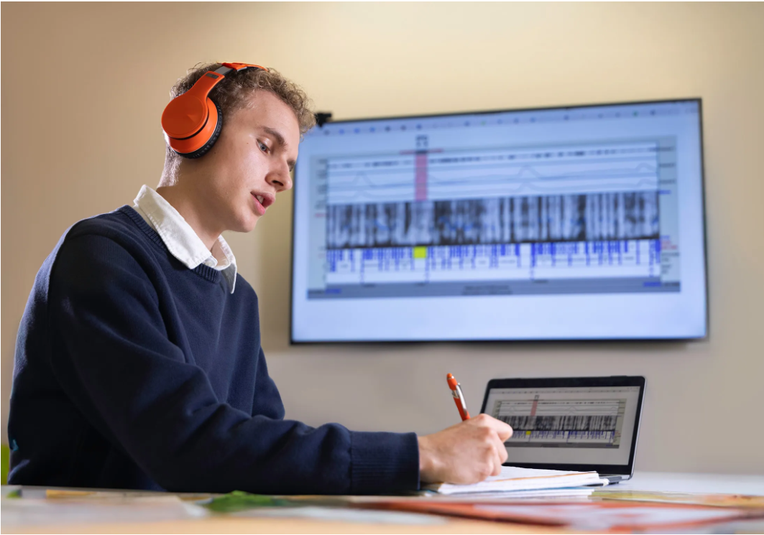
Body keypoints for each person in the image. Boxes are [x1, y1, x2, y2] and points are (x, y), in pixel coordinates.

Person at [7, 62, 513, 494]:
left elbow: (260, 444)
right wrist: (418, 455)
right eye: (267, 146)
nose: (284, 179)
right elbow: (190, 443)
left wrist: (411, 466)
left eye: (290, 164)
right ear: (192, 127)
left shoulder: (234, 294)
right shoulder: (102, 257)